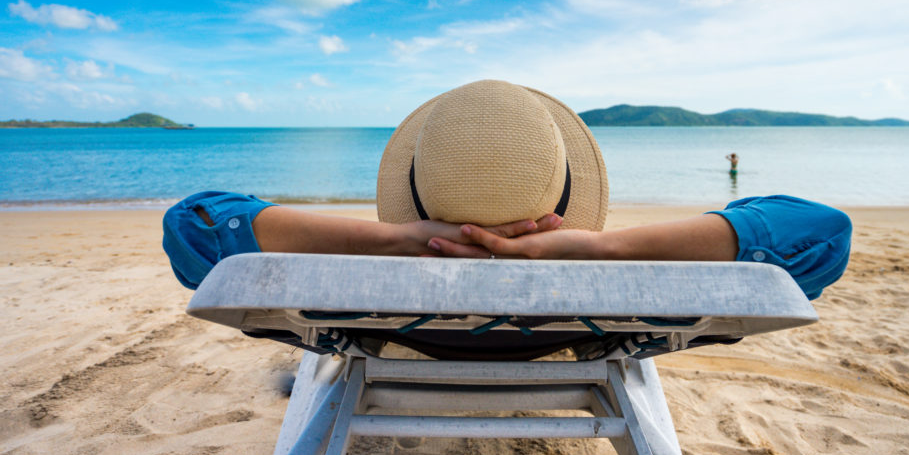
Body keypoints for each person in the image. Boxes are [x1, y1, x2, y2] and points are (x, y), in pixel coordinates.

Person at [163, 81, 850, 300]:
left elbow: (197, 224)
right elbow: (819, 231)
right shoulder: (590, 277)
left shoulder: (385, 276)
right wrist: (603, 250)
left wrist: (401, 243)